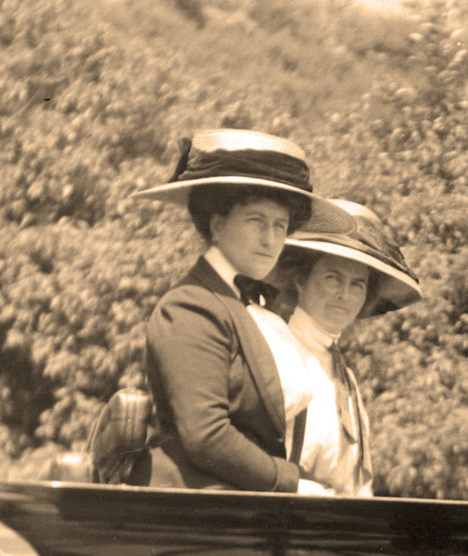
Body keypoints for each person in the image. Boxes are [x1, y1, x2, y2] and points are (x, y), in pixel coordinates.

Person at [131, 128, 352, 492]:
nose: (270, 240)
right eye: (256, 221)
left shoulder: (255, 310)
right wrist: (290, 482)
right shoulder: (191, 305)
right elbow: (206, 435)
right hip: (193, 508)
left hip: (247, 505)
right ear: (217, 224)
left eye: (280, 226)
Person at [263, 199, 425, 496]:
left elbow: (358, 483)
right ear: (301, 279)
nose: (344, 295)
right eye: (332, 278)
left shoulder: (346, 379)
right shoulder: (274, 349)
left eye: (357, 284)